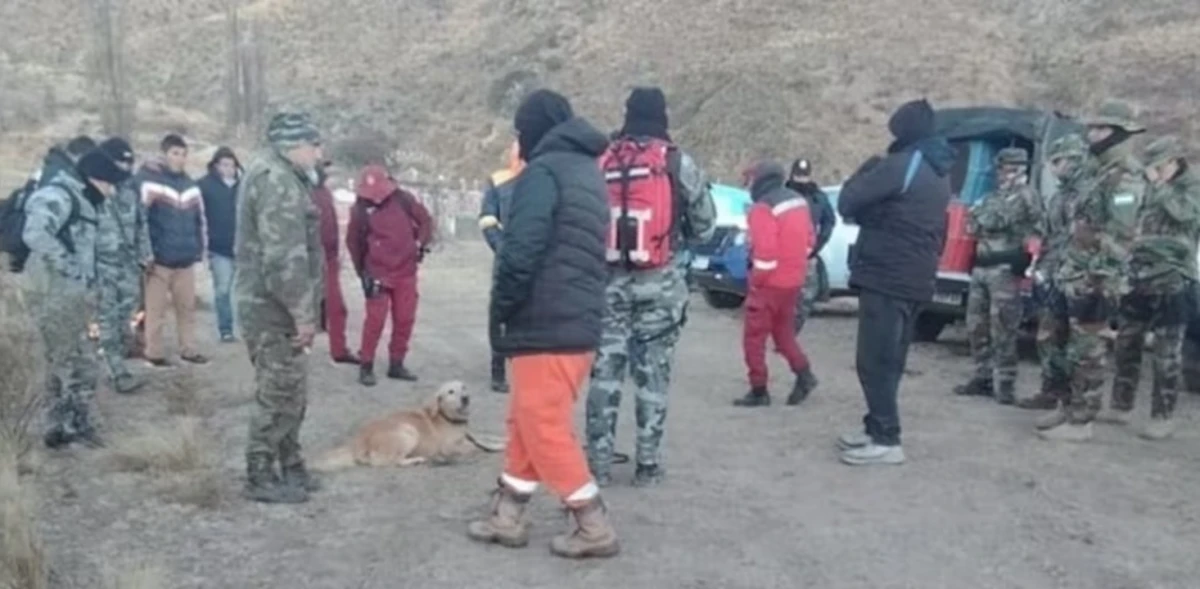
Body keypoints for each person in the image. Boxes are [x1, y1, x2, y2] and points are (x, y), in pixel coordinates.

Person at [467, 89, 618, 559]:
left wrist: (503, 310)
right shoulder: (586, 173)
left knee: (543, 424)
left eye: (518, 132)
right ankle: (508, 515)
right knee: (526, 420)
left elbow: (519, 252)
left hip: (546, 322)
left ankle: (592, 523)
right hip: (574, 322)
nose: (516, 142)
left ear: (533, 130)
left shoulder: (543, 174)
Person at [584, 87, 716, 487]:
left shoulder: (601, 161)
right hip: (660, 286)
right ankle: (647, 466)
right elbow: (706, 227)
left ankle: (599, 466)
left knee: (605, 375)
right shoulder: (676, 162)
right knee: (652, 376)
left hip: (607, 285)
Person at [835, 98, 954, 466]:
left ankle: (887, 437)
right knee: (892, 357)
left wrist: (864, 172)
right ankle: (875, 427)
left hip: (887, 274)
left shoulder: (901, 165)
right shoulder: (939, 169)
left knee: (874, 359)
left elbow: (848, 202)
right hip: (916, 276)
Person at [235, 112, 325, 504]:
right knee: (279, 392)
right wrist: (303, 314)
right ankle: (260, 473)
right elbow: (283, 259)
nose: (319, 153)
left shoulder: (279, 175)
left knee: (290, 390)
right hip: (273, 309)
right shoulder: (278, 183)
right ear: (293, 146)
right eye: (313, 145)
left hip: (271, 305)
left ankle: (290, 464)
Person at [22, 148, 129, 449]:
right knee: (75, 364)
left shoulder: (84, 201)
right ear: (96, 179)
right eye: (109, 183)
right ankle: (69, 427)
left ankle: (63, 427)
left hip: (69, 297)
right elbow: (35, 233)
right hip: (53, 296)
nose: (111, 190)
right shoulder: (60, 195)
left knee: (66, 363)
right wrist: (70, 268)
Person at [1099, 136, 1200, 440]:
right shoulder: (1147, 185)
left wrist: (1160, 186)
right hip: (1139, 275)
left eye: (1160, 166)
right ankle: (1120, 405)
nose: (1155, 172)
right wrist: (1120, 192)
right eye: (1152, 167)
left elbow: (1185, 215)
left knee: (1167, 352)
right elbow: (1123, 211)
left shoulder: (1190, 188)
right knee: (1127, 342)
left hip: (1173, 277)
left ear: (1174, 162)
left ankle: (1163, 415)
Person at [953, 148, 1043, 404]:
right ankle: (982, 376)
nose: (1002, 174)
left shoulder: (1026, 196)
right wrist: (981, 218)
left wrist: (982, 218)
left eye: (1007, 169)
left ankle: (1005, 383)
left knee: (1003, 328)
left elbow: (995, 219)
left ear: (1019, 170)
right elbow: (972, 223)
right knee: (976, 326)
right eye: (1001, 168)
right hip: (982, 266)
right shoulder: (994, 196)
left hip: (1004, 269)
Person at [732, 161, 817, 408]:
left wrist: (757, 281)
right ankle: (804, 374)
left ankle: (759, 390)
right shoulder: (798, 202)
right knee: (784, 334)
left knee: (754, 338)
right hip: (793, 281)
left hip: (769, 284)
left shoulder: (762, 208)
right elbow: (810, 240)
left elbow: (765, 253)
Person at [346, 164, 434, 386]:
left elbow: (426, 221)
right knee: (374, 321)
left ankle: (397, 363)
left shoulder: (404, 199)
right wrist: (362, 271)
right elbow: (353, 242)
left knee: (405, 319)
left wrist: (419, 244)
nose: (375, 199)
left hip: (406, 271)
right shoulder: (359, 210)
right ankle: (366, 365)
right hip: (377, 272)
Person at [1022, 135, 1090, 413]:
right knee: (1048, 336)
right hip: (1055, 274)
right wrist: (1041, 267)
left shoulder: (1086, 193)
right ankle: (1050, 391)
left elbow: (1082, 238)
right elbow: (1051, 236)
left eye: (1056, 162)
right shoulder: (1060, 195)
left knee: (1076, 345)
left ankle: (1072, 401)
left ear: (1071, 160)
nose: (1052, 168)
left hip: (1076, 276)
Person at [137, 134, 208, 366]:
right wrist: (146, 252)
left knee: (187, 309)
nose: (179, 158)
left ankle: (188, 349)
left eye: (183, 154)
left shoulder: (191, 185)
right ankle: (154, 352)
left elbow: (200, 220)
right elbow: (140, 220)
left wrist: (199, 248)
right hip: (158, 260)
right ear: (164, 154)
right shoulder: (148, 181)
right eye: (175, 153)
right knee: (155, 311)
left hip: (185, 259)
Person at [93, 137, 146, 394]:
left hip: (127, 262)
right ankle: (117, 372)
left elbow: (141, 224)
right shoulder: (93, 189)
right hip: (101, 264)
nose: (125, 167)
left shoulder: (131, 189)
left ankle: (116, 356)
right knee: (107, 316)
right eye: (119, 162)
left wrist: (144, 253)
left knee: (126, 312)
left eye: (128, 161)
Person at [478, 141, 525, 393]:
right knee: (499, 311)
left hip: (534, 258)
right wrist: (502, 248)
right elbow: (487, 219)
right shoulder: (497, 181)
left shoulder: (543, 179)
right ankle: (498, 369)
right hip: (506, 258)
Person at [312, 161, 359, 366]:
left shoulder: (323, 193)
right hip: (307, 258)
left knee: (337, 307)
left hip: (328, 258)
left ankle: (339, 350)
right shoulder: (301, 193)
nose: (327, 174)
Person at [198, 146, 242, 343]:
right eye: (224, 164)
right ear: (215, 166)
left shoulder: (244, 186)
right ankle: (225, 329)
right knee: (223, 290)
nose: (228, 169)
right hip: (218, 247)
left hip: (242, 247)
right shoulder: (204, 186)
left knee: (242, 292)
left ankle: (244, 328)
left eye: (232, 165)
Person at [785, 158, 835, 332]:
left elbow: (829, 221)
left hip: (807, 254)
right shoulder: (783, 194)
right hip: (783, 254)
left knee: (805, 298)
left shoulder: (818, 197)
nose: (801, 180)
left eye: (804, 176)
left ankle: (790, 332)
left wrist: (818, 245)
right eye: (798, 176)